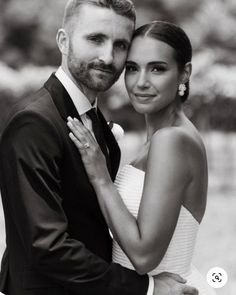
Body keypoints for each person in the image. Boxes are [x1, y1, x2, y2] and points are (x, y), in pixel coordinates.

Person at [0, 0, 198, 294]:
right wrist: (147, 288)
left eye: (120, 45)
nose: (108, 57)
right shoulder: (34, 122)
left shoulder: (93, 118)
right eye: (96, 39)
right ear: (63, 41)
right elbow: (47, 247)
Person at [67, 21, 217, 294]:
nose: (141, 82)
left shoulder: (172, 140)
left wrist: (101, 176)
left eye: (158, 68)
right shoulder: (162, 138)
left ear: (185, 74)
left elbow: (144, 256)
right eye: (133, 68)